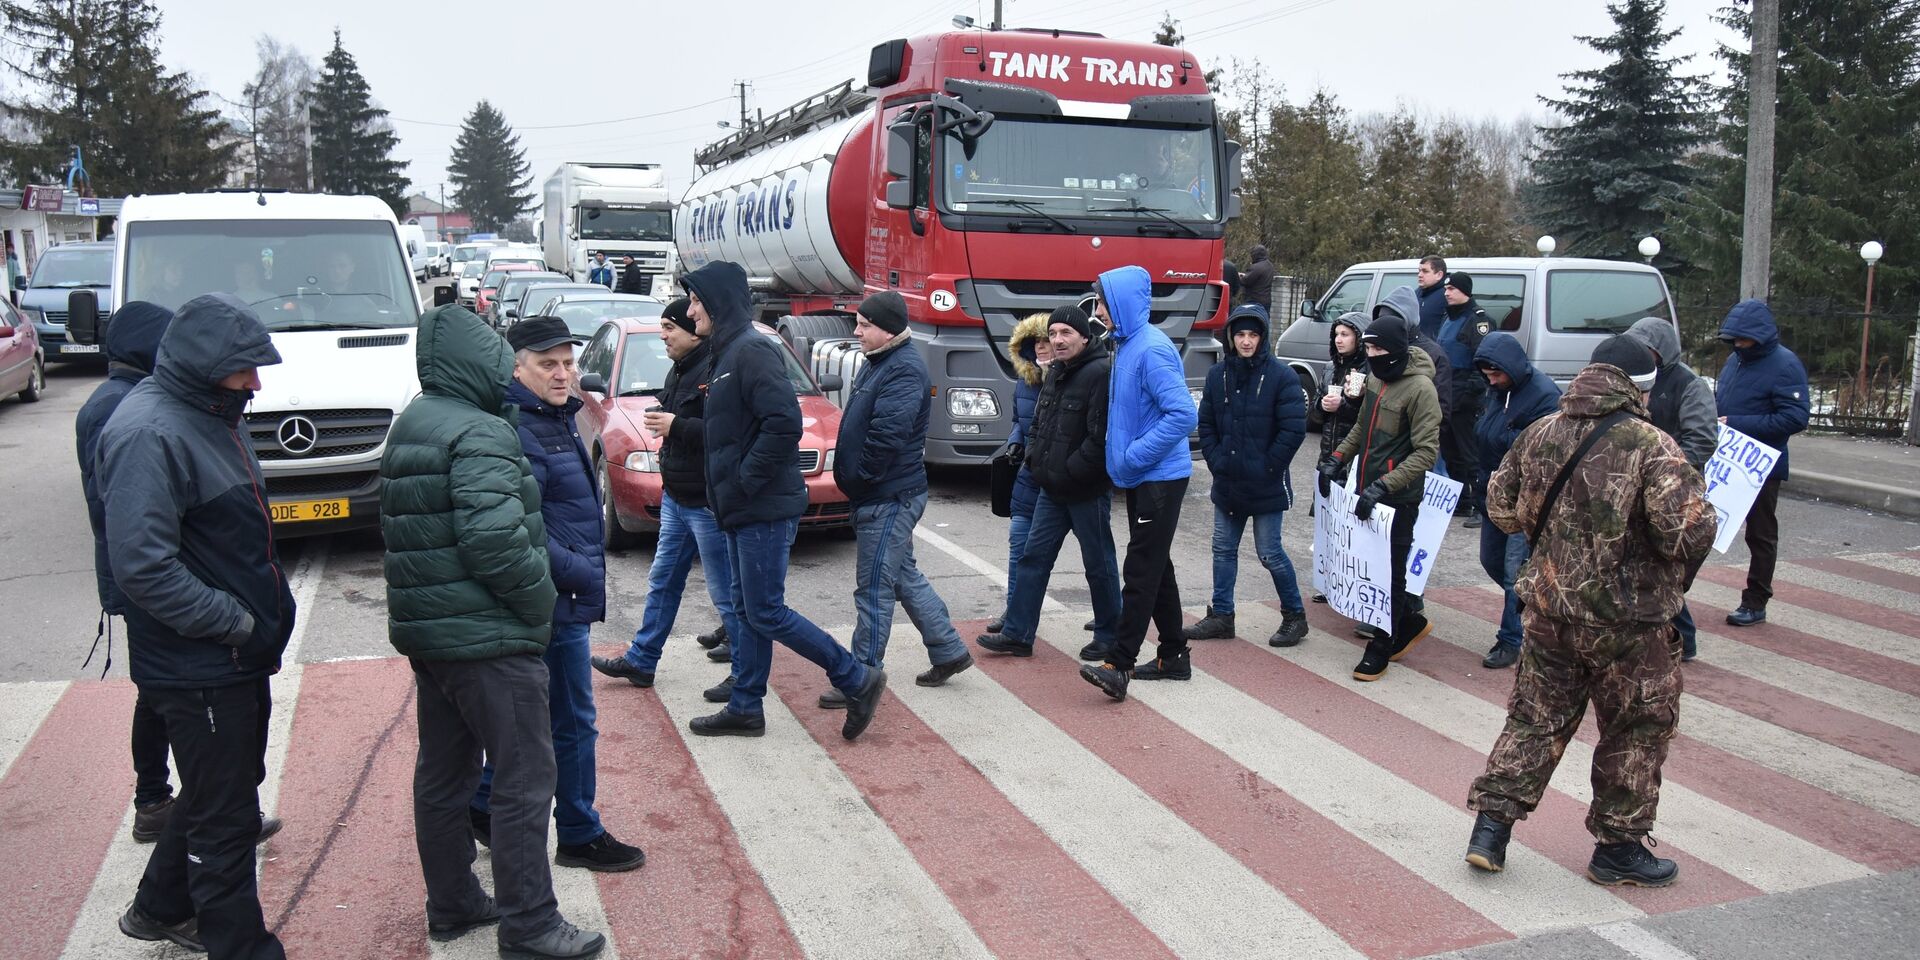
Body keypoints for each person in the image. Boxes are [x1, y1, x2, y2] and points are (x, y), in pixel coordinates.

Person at [380, 304, 605, 959]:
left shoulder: (415, 421)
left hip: (433, 635)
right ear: (479, 362)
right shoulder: (480, 431)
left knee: (445, 775)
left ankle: (452, 902)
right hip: (489, 638)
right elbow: (495, 541)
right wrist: (540, 604)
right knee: (526, 778)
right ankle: (530, 924)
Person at [1466, 335, 1716, 888]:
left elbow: (1501, 508)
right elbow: (1686, 533)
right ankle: (1618, 849)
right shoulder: (1653, 446)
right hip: (1632, 623)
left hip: (1551, 613)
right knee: (1636, 728)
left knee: (1534, 720)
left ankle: (1490, 831)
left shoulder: (1540, 431)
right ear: (1642, 387)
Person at [99, 294, 292, 958]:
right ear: (208, 367)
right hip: (203, 663)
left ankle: (157, 907)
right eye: (245, 370)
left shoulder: (211, 413)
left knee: (220, 791)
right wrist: (236, 624)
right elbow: (143, 566)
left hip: (229, 660)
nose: (256, 383)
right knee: (225, 820)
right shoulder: (150, 433)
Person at [462, 316, 646, 874]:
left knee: (538, 719)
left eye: (568, 362)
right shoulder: (520, 427)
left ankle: (481, 804)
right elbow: (520, 527)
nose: (563, 373)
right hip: (554, 599)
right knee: (572, 720)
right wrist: (580, 574)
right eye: (548, 364)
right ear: (517, 367)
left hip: (555, 595)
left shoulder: (554, 416)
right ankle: (579, 832)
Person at [681, 260, 886, 740]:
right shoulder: (726, 351)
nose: (690, 313)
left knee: (766, 610)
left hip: (762, 507)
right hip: (738, 505)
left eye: (694, 301)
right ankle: (746, 704)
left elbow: (784, 425)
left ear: (716, 301)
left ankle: (856, 677)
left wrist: (746, 481)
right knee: (746, 606)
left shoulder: (753, 351)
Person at [591, 299, 744, 698]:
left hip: (705, 501)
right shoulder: (681, 368)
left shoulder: (714, 369)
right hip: (677, 497)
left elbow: (726, 433)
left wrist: (677, 425)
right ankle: (642, 660)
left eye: (669, 328)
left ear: (692, 332)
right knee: (662, 580)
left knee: (726, 592)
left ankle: (744, 673)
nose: (663, 336)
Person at [824, 291, 972, 703]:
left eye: (864, 325)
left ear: (887, 327)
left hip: (889, 496)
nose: (856, 331)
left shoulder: (902, 369)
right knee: (902, 576)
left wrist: (861, 480)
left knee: (873, 587)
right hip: (883, 494)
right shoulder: (882, 361)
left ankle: (862, 677)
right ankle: (949, 650)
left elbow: (886, 438)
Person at [74, 302, 178, 843]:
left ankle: (157, 800)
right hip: (140, 574)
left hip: (133, 569)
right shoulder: (117, 407)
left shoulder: (118, 399)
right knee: (160, 690)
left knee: (158, 689)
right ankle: (154, 801)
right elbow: (114, 505)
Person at [976, 305, 1123, 660]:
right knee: (1033, 559)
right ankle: (1018, 634)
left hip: (1085, 489)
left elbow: (1099, 437)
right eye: (1053, 334)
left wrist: (1070, 470)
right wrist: (1037, 462)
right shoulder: (1055, 372)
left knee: (1098, 564)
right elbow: (1039, 422)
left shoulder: (1100, 373)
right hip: (1051, 488)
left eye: (1065, 334)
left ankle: (1109, 635)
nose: (1057, 341)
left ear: (1084, 338)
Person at [1081, 265, 1199, 699]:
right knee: (1156, 563)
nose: (1098, 312)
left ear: (1122, 304)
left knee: (1142, 568)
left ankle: (1119, 662)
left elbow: (1184, 414)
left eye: (1103, 304)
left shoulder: (1150, 350)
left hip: (1159, 478)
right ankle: (1173, 655)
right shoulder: (1127, 344)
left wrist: (1134, 456)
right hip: (1143, 476)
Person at [1317, 307, 1442, 682]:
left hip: (1399, 497)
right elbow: (1360, 427)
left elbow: (1426, 452)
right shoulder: (1374, 379)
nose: (1370, 356)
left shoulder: (1421, 390)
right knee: (1370, 567)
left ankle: (1381, 645)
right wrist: (1337, 460)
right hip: (1366, 489)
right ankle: (1410, 622)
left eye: (1376, 350)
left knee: (1391, 572)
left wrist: (1385, 485)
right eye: (1367, 350)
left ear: (1393, 350)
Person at [1187, 304, 1310, 649]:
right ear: (1230, 337)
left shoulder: (1282, 376)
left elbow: (1293, 430)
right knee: (1223, 549)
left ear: (1263, 337)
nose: (1245, 341)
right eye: (1240, 334)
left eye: (1252, 334)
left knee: (1270, 552)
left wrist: (1268, 466)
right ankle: (1222, 615)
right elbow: (1207, 422)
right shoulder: (1218, 375)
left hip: (1267, 483)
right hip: (1228, 481)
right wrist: (1215, 460)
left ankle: (1294, 616)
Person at [1712, 300, 1809, 627]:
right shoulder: (1735, 360)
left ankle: (1755, 601)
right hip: (1727, 457)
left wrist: (1735, 423)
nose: (1738, 344)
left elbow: (1795, 417)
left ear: (1760, 336)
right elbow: (1723, 398)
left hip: (1761, 466)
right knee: (1703, 525)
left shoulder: (1785, 364)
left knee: (1761, 535)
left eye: (1743, 339)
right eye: (1733, 339)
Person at [1627, 316, 1718, 662]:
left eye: (1647, 350)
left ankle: (1683, 639)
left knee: (1666, 569)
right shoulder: (1632, 378)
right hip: (1635, 486)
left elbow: (1702, 440)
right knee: (1646, 566)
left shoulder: (1690, 385)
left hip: (1674, 490)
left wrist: (1663, 467)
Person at [1470, 332, 1562, 669]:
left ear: (1510, 367)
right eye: (1487, 375)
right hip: (1494, 491)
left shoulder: (1544, 395)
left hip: (1525, 498)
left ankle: (1511, 639)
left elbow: (1541, 447)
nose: (1491, 380)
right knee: (1491, 561)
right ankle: (1531, 608)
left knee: (1513, 571)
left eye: (1495, 374)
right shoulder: (1498, 391)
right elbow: (1488, 432)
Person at [986, 312, 1053, 633]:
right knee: (1019, 546)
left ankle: (1109, 617)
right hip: (1028, 476)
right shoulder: (1023, 384)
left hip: (1065, 482)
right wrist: (1014, 443)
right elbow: (1018, 421)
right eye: (1035, 342)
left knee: (1096, 557)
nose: (1041, 348)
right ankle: (1014, 614)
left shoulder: (1075, 379)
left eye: (1047, 341)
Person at [1311, 311, 1369, 604]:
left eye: (1346, 334)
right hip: (1327, 453)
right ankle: (1329, 580)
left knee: (1350, 524)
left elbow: (1365, 417)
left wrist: (1344, 405)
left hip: (1353, 457)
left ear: (1359, 338)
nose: (1340, 339)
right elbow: (1315, 415)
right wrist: (1323, 405)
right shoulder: (1329, 368)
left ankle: (1350, 584)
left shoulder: (1367, 370)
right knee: (1328, 521)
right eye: (1337, 334)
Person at [1437, 272, 1491, 527]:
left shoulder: (1478, 321)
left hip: (1466, 399)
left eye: (1452, 289)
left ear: (1465, 291)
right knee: (1450, 452)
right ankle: (1461, 502)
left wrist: (1471, 393)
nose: (1447, 292)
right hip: (1447, 394)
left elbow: (1483, 360)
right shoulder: (1448, 318)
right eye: (1446, 288)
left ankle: (1482, 506)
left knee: (1471, 455)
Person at [1414, 254, 1448, 339]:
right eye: (1419, 271)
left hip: (1433, 350)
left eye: (1425, 271)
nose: (1420, 275)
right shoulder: (1416, 293)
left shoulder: (1447, 296)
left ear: (1439, 275)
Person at [1239, 245, 1274, 313]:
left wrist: (1237, 276)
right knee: (1264, 319)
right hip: (1266, 300)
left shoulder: (1256, 267)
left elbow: (1245, 281)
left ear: (1255, 255)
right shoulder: (1269, 265)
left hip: (1254, 300)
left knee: (1251, 319)